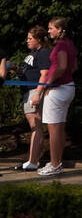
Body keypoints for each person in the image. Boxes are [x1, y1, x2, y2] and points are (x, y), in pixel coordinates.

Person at [34, 16, 78, 177]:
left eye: (51, 28)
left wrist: (49, 83)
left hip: (58, 89)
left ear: (60, 30)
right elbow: (73, 66)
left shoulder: (60, 45)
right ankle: (56, 162)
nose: (49, 31)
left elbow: (62, 66)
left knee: (53, 130)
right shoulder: (70, 45)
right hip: (67, 87)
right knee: (59, 128)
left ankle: (54, 164)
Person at [16, 26, 51, 171]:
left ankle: (33, 161)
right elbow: (27, 72)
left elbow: (45, 74)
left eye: (30, 38)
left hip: (34, 91)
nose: (27, 41)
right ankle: (34, 160)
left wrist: (38, 93)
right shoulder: (34, 53)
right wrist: (14, 69)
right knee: (34, 126)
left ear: (38, 39)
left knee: (35, 126)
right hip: (28, 91)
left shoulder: (43, 53)